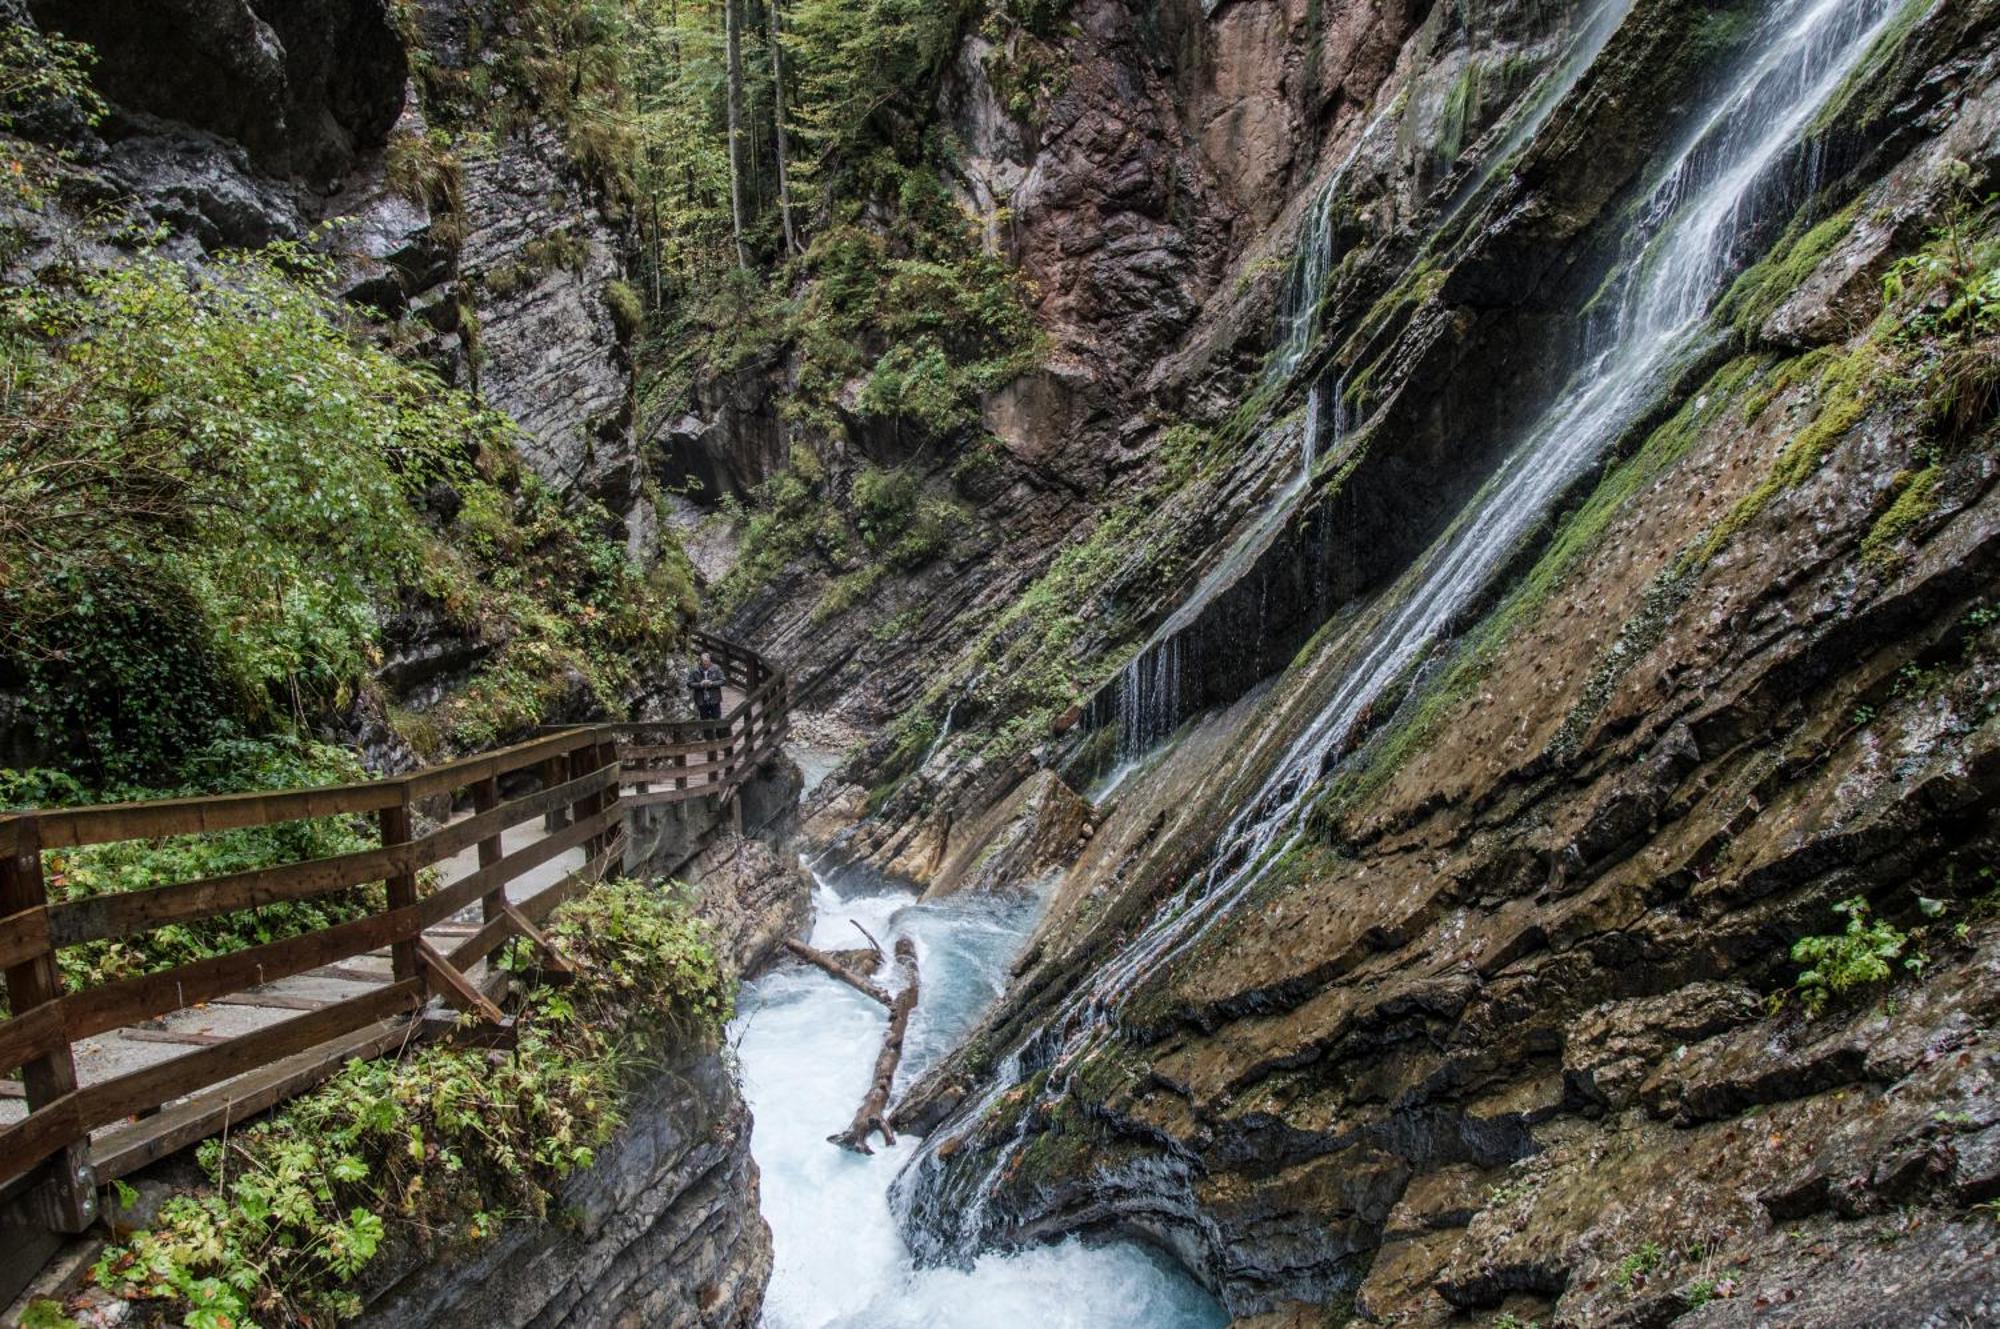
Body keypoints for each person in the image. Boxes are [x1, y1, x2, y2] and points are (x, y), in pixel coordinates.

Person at [686, 651, 726, 721]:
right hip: (701, 700)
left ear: (710, 661)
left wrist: (712, 683)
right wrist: (700, 684)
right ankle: (707, 732)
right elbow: (689, 683)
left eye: (707, 662)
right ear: (701, 662)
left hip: (714, 699)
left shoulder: (716, 668)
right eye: (704, 663)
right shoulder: (695, 670)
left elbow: (723, 681)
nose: (706, 665)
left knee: (717, 719)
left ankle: (719, 732)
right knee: (704, 720)